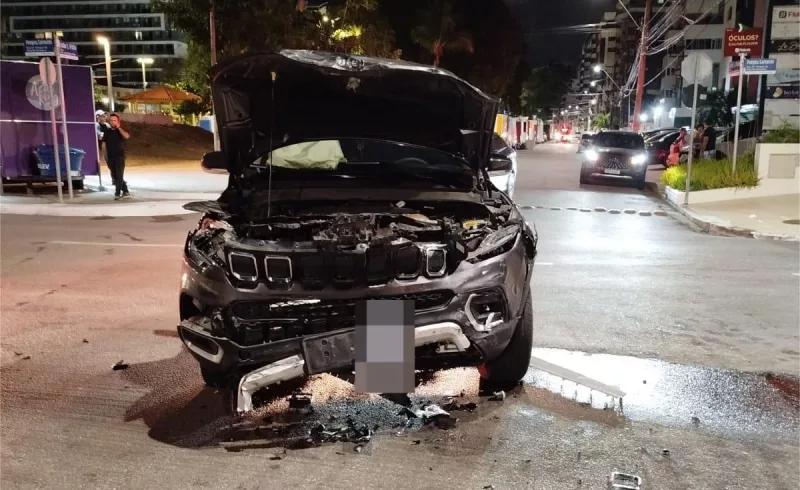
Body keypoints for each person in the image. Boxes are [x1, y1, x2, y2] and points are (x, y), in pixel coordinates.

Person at [100, 113, 131, 200]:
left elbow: (127, 136)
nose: (112, 122)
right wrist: (104, 154)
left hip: (120, 156)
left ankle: (117, 193)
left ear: (118, 121)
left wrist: (119, 128)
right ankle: (126, 191)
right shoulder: (107, 131)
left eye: (114, 120)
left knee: (119, 174)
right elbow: (104, 143)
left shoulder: (120, 131)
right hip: (110, 156)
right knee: (115, 176)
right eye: (111, 120)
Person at [95, 110, 115, 186]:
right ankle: (115, 179)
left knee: (114, 164)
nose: (105, 117)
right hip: (104, 148)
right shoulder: (96, 125)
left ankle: (116, 179)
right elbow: (100, 136)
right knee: (111, 164)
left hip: (111, 147)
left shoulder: (107, 125)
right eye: (102, 116)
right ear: (98, 117)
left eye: (105, 116)